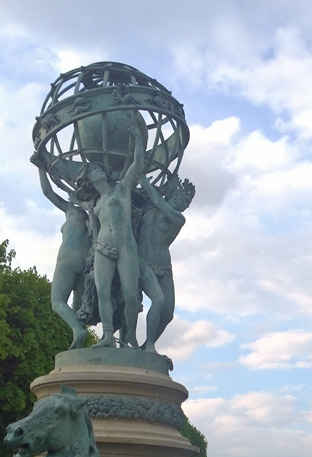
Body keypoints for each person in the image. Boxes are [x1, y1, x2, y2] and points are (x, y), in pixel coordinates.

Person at [87, 117, 146, 348]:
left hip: (126, 245)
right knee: (103, 293)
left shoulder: (122, 188)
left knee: (131, 296)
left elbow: (138, 163)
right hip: (103, 247)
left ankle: (130, 335)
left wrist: (139, 138)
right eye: (91, 170)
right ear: (89, 180)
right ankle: (109, 337)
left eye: (96, 168)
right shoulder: (96, 205)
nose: (95, 171)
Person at [32, 149, 91, 349]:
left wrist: (41, 168)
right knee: (79, 308)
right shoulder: (95, 213)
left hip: (67, 258)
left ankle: (78, 331)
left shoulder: (72, 210)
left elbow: (48, 193)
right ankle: (81, 346)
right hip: (86, 262)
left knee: (57, 302)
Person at [135, 173, 195, 353]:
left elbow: (160, 202)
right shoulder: (147, 208)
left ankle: (146, 345)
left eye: (188, 203)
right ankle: (151, 345)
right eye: (184, 199)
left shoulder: (178, 218)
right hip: (142, 262)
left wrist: (145, 183)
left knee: (168, 313)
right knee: (158, 300)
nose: (185, 205)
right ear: (174, 195)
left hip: (164, 267)